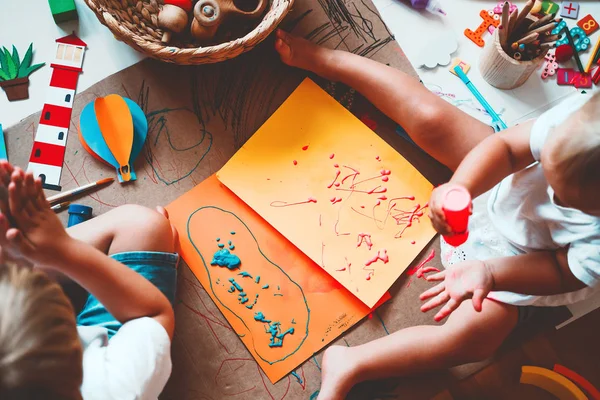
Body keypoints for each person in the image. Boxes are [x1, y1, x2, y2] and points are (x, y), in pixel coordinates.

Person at [273, 30, 600, 399]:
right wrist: (460, 187)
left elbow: (562, 271)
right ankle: (329, 61)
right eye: (550, 174)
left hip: (527, 260)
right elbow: (507, 149)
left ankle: (353, 363)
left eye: (569, 202)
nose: (552, 197)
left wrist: (490, 273)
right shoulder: (582, 123)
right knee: (430, 119)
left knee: (474, 338)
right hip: (503, 177)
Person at [0, 161, 179, 400]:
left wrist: (17, 261)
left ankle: (22, 257)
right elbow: (152, 313)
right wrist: (64, 250)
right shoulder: (114, 388)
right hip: (112, 345)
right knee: (146, 228)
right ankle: (32, 256)